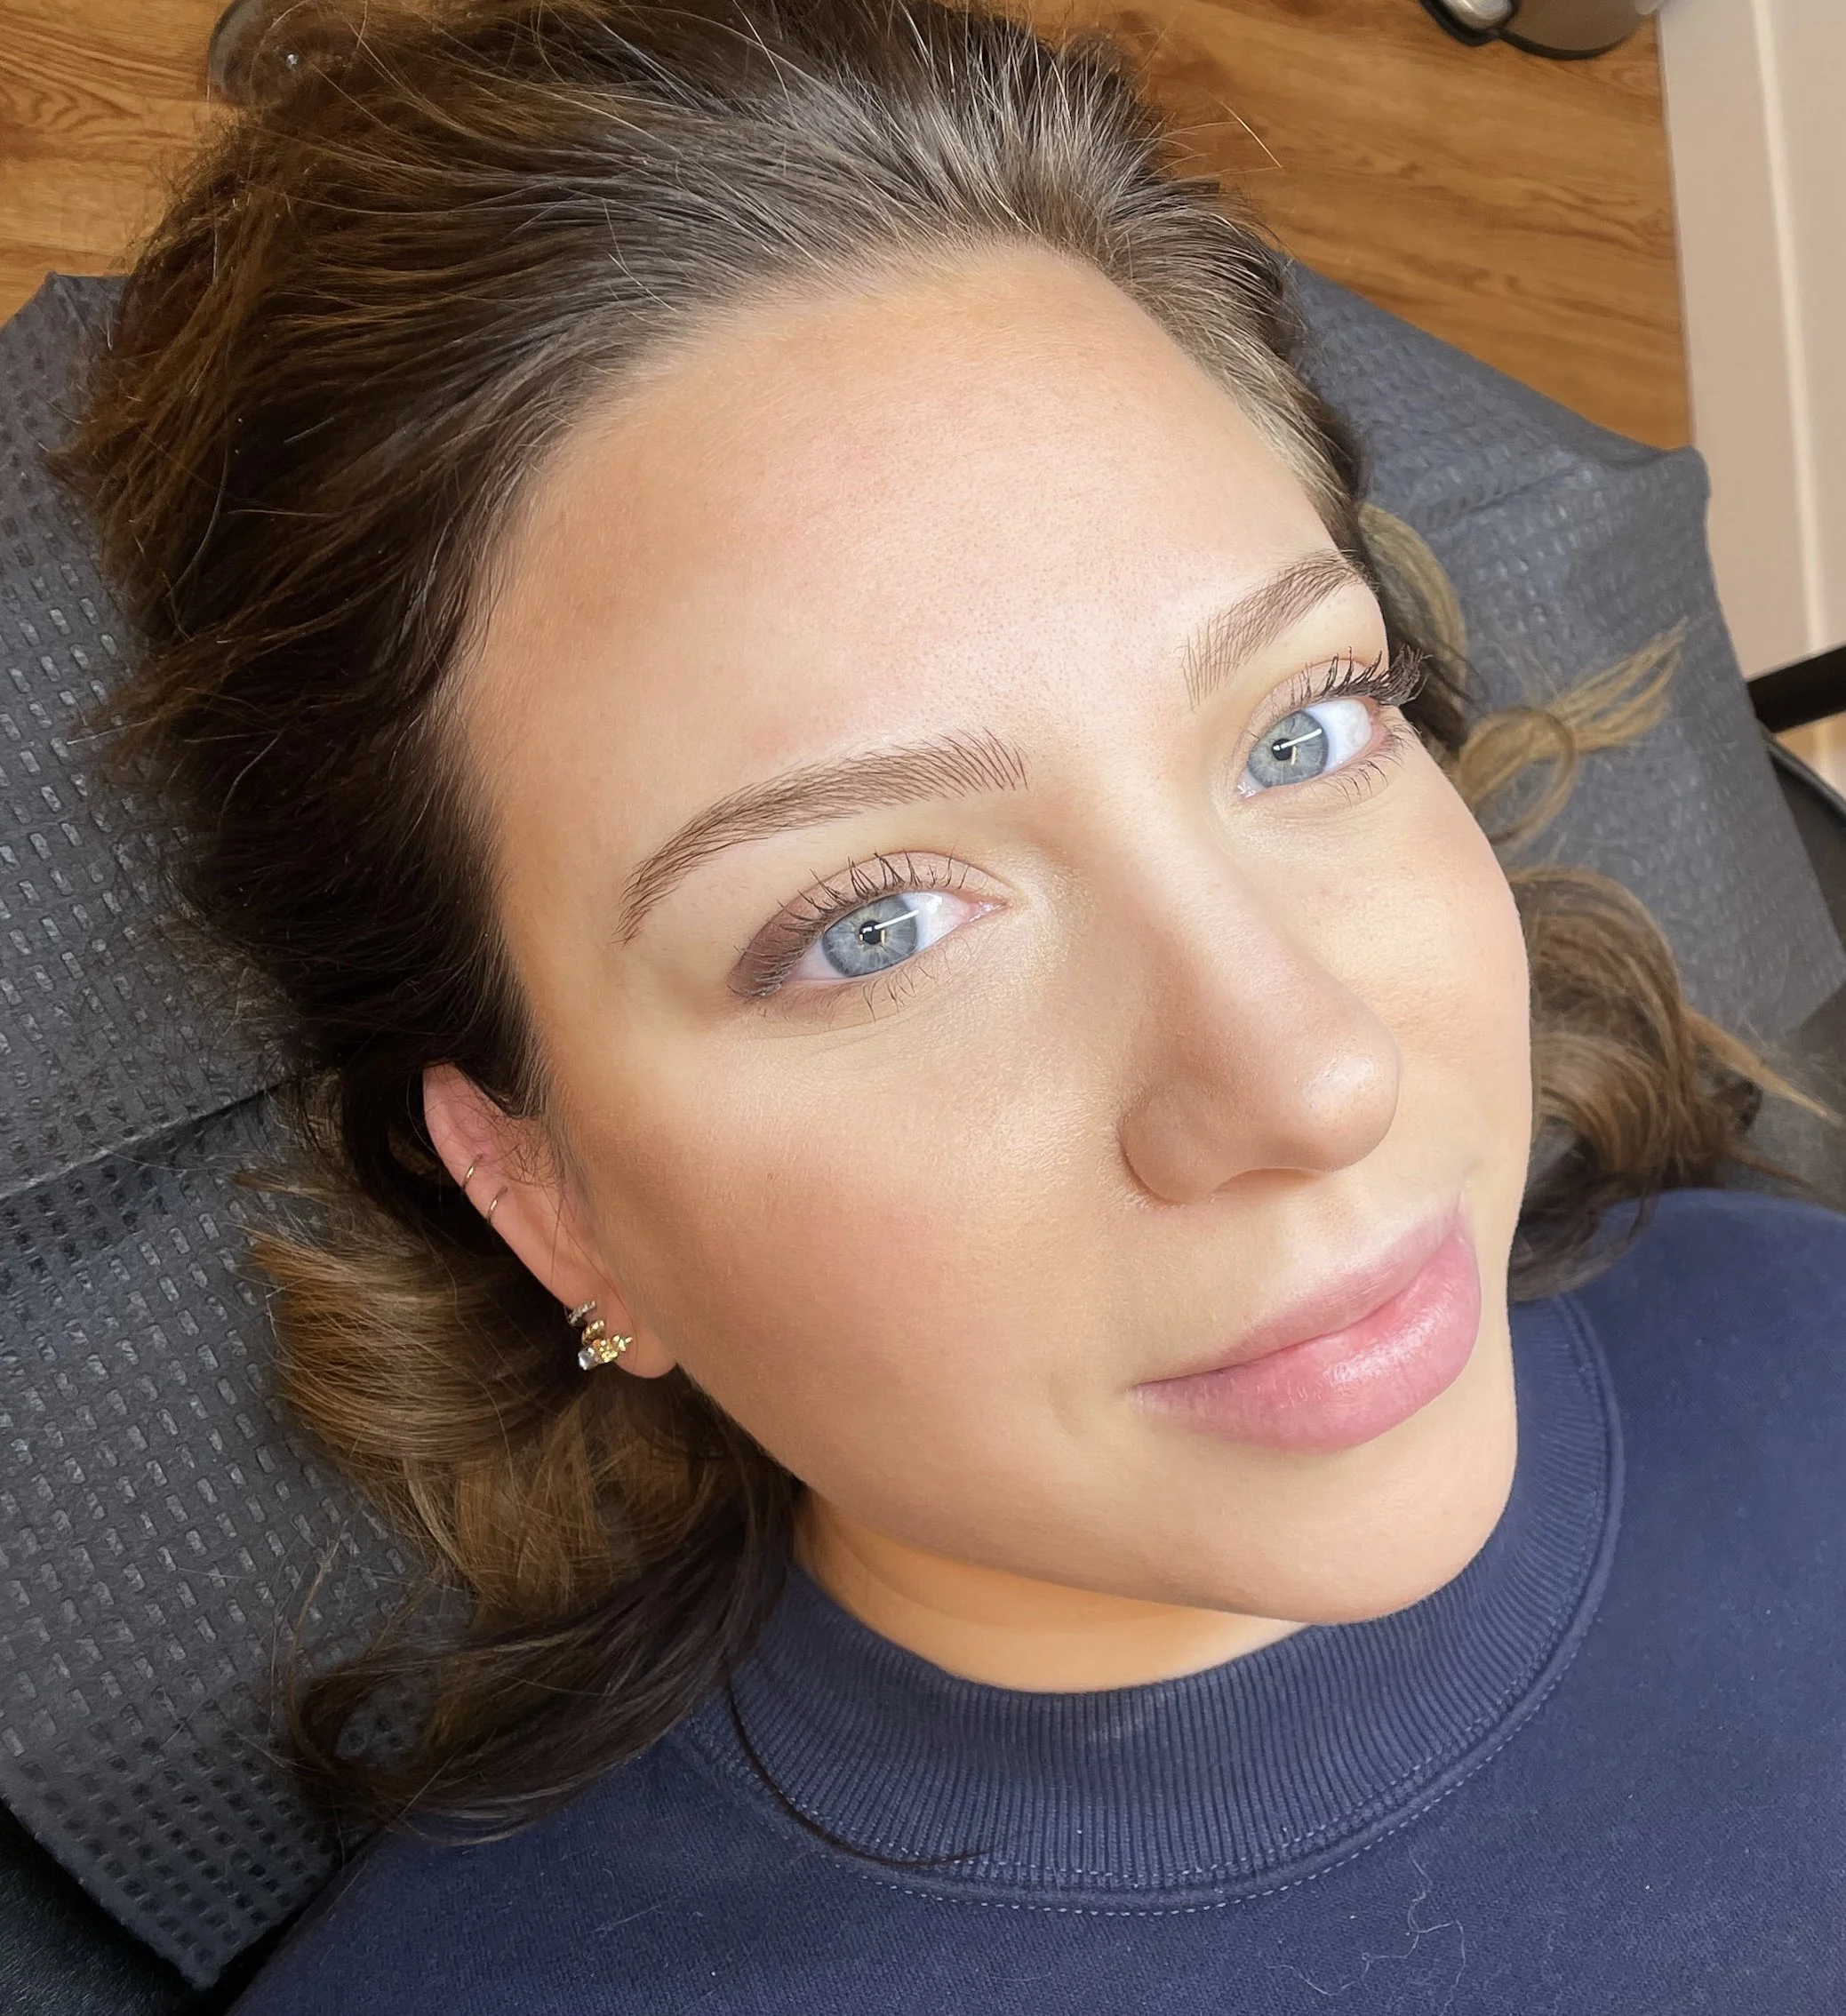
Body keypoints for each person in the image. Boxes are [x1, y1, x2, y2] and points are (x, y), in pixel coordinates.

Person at [58, 0, 1846, 2007]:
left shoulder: (1808, 1324)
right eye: (876, 926)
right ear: (545, 1197)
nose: (1314, 1076)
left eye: (1305, 729)